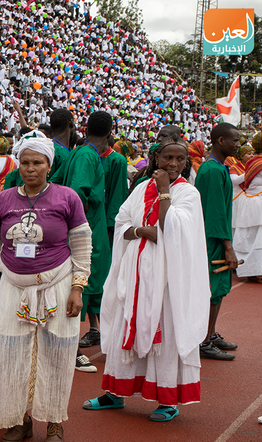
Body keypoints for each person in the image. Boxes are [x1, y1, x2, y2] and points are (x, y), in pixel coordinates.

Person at [83, 139, 210, 423]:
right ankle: (115, 393)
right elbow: (122, 224)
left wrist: (164, 191)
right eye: (167, 158)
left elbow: (171, 229)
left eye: (180, 159)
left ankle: (167, 401)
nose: (173, 164)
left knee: (165, 334)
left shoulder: (188, 193)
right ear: (156, 159)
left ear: (186, 163)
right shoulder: (141, 188)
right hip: (134, 272)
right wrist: (143, 231)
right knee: (124, 325)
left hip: (167, 279)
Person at [0, 136, 91, 442]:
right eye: (25, 162)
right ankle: (19, 421)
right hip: (14, 286)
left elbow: (81, 245)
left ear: (49, 165)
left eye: (37, 162)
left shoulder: (67, 198)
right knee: (11, 353)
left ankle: (54, 421)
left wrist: (78, 287)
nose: (30, 169)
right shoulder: (3, 200)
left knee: (58, 354)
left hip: (58, 285)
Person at [61, 112, 113, 372]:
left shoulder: (83, 153)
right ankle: (72, 350)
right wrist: (78, 231)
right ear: (110, 132)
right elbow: (76, 194)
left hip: (91, 228)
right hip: (87, 232)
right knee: (80, 288)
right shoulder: (87, 155)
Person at [195, 123, 240, 361]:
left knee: (219, 288)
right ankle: (203, 340)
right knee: (212, 289)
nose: (238, 145)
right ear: (220, 140)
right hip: (211, 238)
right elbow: (215, 212)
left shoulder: (218, 167)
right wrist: (228, 247)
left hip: (215, 236)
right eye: (235, 140)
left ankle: (210, 334)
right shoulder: (212, 170)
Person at [233, 156, 262, 280]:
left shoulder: (253, 163)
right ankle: (255, 270)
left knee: (251, 236)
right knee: (256, 237)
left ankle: (251, 269)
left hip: (249, 201)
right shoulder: (258, 164)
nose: (250, 155)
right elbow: (235, 181)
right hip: (256, 203)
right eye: (248, 153)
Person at [100, 138, 130, 244]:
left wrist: (111, 223)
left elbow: (118, 195)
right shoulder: (86, 155)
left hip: (106, 216)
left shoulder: (118, 160)